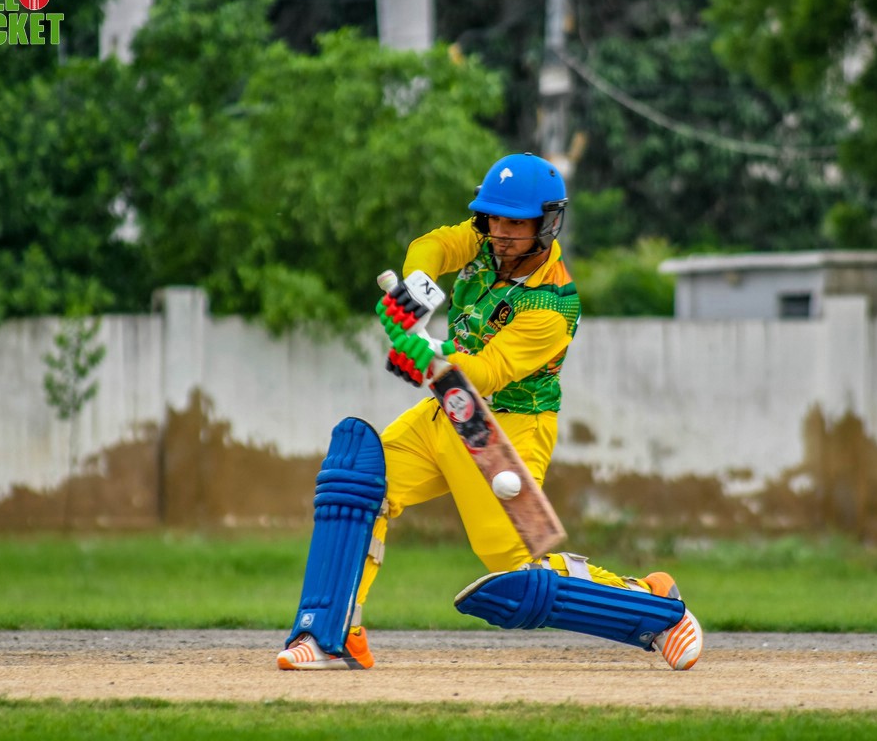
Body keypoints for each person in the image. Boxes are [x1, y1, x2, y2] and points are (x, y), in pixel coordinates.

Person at [277, 153, 703, 671]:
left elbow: (487, 370)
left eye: (515, 223)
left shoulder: (553, 305)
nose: (501, 233)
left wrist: (425, 354)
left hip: (507, 428)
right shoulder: (484, 240)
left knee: (520, 574)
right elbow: (433, 245)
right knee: (360, 483)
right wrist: (416, 290)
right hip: (449, 409)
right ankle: (332, 635)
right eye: (494, 219)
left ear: (546, 224)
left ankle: (658, 608)